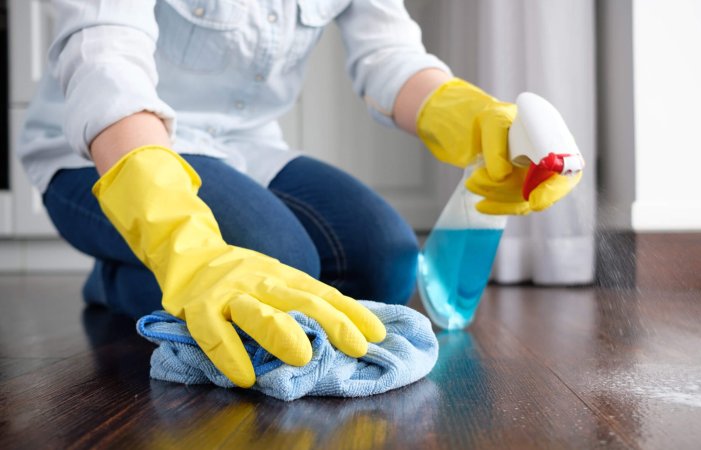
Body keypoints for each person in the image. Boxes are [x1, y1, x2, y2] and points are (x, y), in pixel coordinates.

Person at [19, 0, 579, 388]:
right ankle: (131, 274)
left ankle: (132, 270)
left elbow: (390, 57)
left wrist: (480, 120)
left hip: (246, 148)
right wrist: (183, 245)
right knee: (279, 264)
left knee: (387, 263)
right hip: (107, 153)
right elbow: (107, 64)